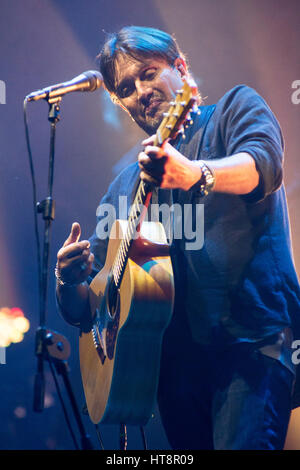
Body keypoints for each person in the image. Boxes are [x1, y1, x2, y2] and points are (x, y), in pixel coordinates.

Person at [55, 26, 300, 450]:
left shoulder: (233, 110)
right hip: (170, 371)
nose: (142, 91)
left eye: (149, 73)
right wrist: (68, 279)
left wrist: (195, 173)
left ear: (181, 70)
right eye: (126, 88)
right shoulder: (121, 189)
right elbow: (87, 308)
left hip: (249, 347)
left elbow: (262, 166)